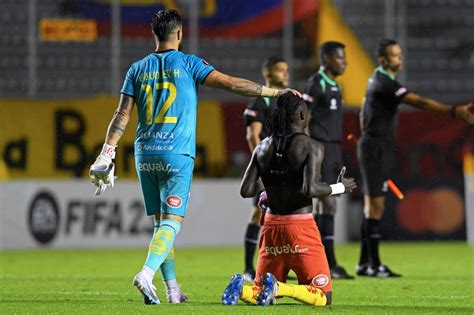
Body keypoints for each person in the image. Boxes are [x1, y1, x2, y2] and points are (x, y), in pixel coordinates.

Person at [88, 9, 301, 305]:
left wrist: (106, 152)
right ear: (180, 34)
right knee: (172, 222)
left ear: (154, 35)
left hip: (144, 152)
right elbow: (230, 83)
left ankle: (173, 290)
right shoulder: (189, 64)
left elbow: (122, 114)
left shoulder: (136, 69)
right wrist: (274, 93)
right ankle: (146, 274)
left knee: (161, 222)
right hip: (176, 153)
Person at [221, 93, 357, 306]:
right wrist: (340, 187)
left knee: (258, 291)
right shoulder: (311, 146)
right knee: (323, 297)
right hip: (300, 229)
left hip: (271, 228)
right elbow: (309, 187)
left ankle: (241, 290)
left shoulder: (263, 145)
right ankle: (279, 287)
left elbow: (246, 190)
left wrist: (269, 190)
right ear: (303, 114)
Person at [356, 38, 474, 278]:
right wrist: (453, 111)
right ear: (383, 59)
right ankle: (373, 265)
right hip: (374, 148)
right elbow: (418, 101)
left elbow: (362, 109)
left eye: (400, 54)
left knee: (373, 205)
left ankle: (365, 263)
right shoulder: (384, 82)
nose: (400, 59)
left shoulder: (377, 80)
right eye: (395, 55)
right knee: (375, 205)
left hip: (374, 145)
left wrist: (367, 134)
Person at [303, 41, 353, 279]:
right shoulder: (316, 83)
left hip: (333, 148)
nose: (344, 62)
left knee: (329, 204)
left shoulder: (336, 85)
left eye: (344, 58)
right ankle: (326, 261)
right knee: (326, 203)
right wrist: (308, 149)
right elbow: (303, 117)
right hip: (320, 148)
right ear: (325, 60)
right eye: (339, 58)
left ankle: (323, 260)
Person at [242, 56, 289, 281]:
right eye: (281, 70)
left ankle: (280, 266)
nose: (285, 74)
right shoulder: (259, 102)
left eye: (286, 70)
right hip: (268, 169)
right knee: (257, 214)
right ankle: (249, 268)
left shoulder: (285, 103)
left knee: (285, 215)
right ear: (268, 73)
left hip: (285, 168)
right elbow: (253, 135)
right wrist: (261, 167)